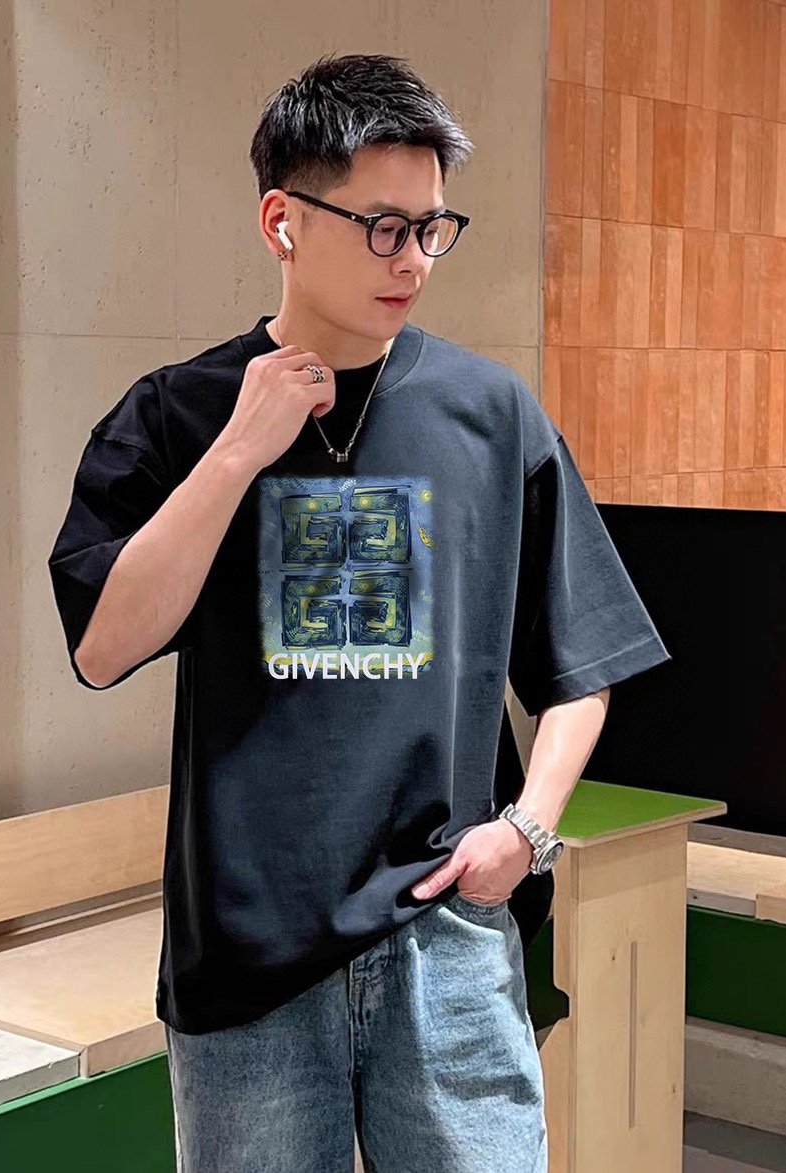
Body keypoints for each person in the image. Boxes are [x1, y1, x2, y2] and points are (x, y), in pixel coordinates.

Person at [49, 54, 670, 1173]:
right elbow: (104, 647)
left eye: (432, 228)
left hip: (448, 936)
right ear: (281, 221)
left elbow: (582, 660)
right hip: (247, 956)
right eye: (384, 226)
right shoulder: (177, 413)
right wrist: (239, 451)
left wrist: (524, 833)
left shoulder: (490, 413)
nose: (413, 260)